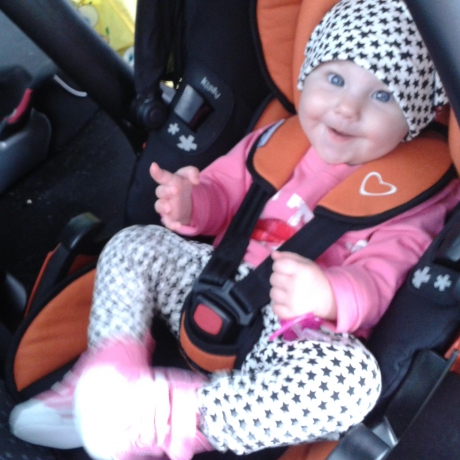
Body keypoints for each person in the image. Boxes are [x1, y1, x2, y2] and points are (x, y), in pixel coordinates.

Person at [9, 0, 460, 459]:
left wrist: (328, 294)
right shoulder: (277, 138)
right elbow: (223, 192)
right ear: (308, 73)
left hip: (293, 334)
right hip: (212, 278)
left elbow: (380, 279)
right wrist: (193, 201)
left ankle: (175, 418)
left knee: (354, 382)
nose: (346, 108)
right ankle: (107, 374)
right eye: (336, 79)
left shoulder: (414, 194)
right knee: (133, 246)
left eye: (382, 96)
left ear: (415, 113)